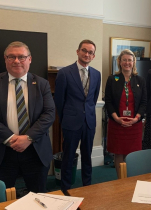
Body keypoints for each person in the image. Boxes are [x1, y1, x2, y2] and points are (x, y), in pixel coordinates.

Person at [0, 41, 55, 192]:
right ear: (5, 59)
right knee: (1, 199)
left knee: (37, 196)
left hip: (35, 151)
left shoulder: (42, 84)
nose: (17, 61)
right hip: (2, 152)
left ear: (30, 59)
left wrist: (28, 138)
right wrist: (11, 138)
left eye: (21, 57)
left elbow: (49, 114)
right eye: (11, 57)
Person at [54, 39, 101, 194]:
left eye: (90, 52)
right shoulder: (64, 73)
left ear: (93, 56)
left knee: (87, 155)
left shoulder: (96, 74)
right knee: (68, 157)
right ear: (78, 51)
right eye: (84, 50)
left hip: (89, 122)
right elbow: (59, 101)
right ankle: (66, 188)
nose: (87, 54)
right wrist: (66, 118)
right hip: (71, 123)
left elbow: (92, 100)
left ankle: (87, 186)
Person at [105, 49, 147, 178]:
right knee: (119, 153)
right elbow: (108, 101)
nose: (127, 62)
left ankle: (130, 180)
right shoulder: (112, 79)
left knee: (132, 154)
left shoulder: (140, 80)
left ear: (134, 62)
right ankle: (120, 181)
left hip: (134, 124)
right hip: (117, 123)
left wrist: (137, 118)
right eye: (124, 60)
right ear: (119, 62)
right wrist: (116, 118)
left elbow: (144, 102)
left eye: (130, 60)